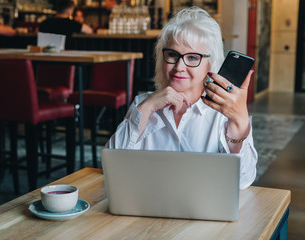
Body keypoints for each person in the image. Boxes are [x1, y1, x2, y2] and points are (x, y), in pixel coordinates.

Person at [106, 7, 258, 190]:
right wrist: (146, 108)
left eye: (192, 57)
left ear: (210, 63)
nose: (179, 67)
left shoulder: (222, 114)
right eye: (172, 55)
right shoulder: (143, 104)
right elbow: (110, 167)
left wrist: (239, 120)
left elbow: (242, 181)